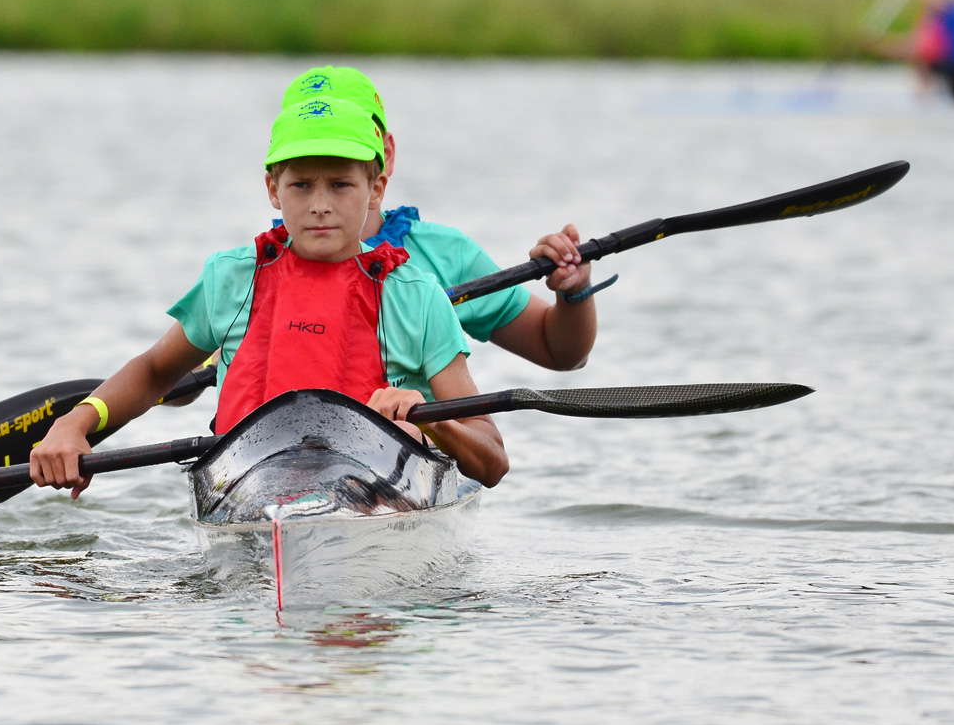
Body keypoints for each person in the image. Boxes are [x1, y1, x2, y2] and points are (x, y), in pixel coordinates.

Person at [30, 95, 511, 496]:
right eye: (301, 185)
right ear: (273, 190)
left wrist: (432, 423)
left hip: (374, 503)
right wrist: (75, 425)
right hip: (247, 496)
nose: (320, 205)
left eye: (341, 184)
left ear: (375, 188)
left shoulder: (417, 297)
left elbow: (492, 462)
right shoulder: (233, 278)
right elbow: (156, 370)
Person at [281, 66, 599, 372]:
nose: (320, 203)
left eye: (340, 154)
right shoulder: (251, 274)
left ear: (386, 155)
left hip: (412, 428)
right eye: (304, 175)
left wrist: (575, 291)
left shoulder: (447, 256)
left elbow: (559, 351)